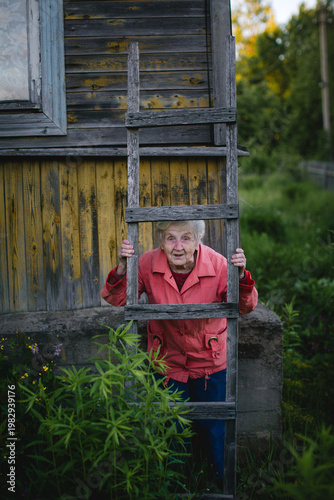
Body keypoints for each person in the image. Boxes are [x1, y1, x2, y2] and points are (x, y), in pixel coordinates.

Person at [101, 220, 258, 481]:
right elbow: (115, 299)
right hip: (167, 362)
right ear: (160, 242)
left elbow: (246, 306)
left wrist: (241, 276)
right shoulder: (147, 264)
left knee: (214, 431)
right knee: (170, 429)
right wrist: (121, 270)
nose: (178, 246)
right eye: (170, 238)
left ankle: (216, 482)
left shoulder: (219, 264)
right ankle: (175, 485)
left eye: (186, 238)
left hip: (210, 361)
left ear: (198, 241)